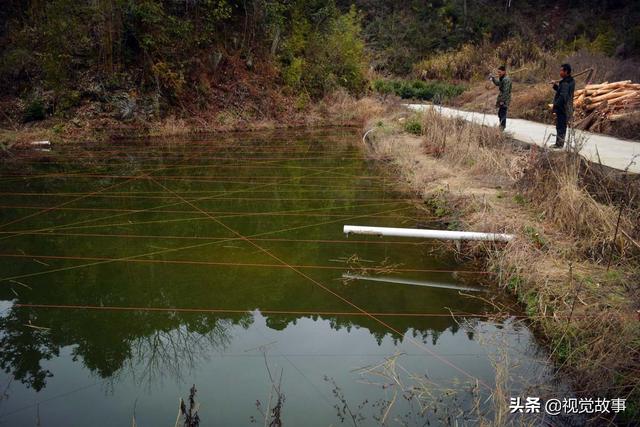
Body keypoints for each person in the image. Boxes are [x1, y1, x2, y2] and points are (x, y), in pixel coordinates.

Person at [551, 63, 575, 148]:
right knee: (561, 125)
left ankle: (559, 144)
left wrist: (555, 105)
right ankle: (559, 143)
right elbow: (561, 91)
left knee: (561, 126)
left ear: (566, 71)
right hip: (565, 107)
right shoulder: (568, 81)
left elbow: (563, 96)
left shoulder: (566, 82)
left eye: (561, 70)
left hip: (563, 108)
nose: (560, 72)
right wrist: (555, 86)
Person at [489, 65, 512, 130]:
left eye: (500, 72)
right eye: (498, 72)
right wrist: (492, 78)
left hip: (505, 99)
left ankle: (502, 127)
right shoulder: (502, 79)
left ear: (504, 72)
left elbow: (506, 91)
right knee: (500, 113)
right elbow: (497, 83)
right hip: (502, 98)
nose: (499, 73)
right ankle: (501, 126)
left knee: (503, 113)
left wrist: (503, 100)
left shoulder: (507, 80)